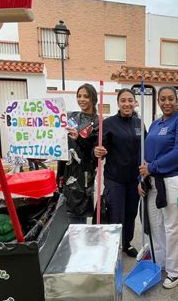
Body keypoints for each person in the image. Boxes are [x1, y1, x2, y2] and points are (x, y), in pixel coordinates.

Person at [138, 86, 178, 289]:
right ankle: (160, 263)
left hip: (175, 180)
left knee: (173, 227)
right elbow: (146, 153)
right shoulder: (155, 124)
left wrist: (152, 167)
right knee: (156, 226)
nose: (167, 102)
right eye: (163, 99)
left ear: (177, 102)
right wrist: (141, 178)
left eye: (171, 99)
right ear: (158, 101)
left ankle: (176, 271)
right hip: (154, 182)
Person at [94, 88, 142, 257]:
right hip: (114, 177)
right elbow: (100, 147)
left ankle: (126, 243)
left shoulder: (139, 123)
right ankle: (112, 245)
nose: (127, 104)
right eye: (123, 100)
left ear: (135, 102)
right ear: (118, 103)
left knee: (131, 212)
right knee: (115, 212)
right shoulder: (108, 124)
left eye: (130, 100)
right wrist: (98, 151)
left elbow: (146, 147)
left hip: (134, 178)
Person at [57, 83, 98, 220]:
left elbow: (92, 148)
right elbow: (49, 127)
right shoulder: (71, 117)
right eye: (79, 96)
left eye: (86, 96)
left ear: (93, 99)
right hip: (65, 169)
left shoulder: (98, 122)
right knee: (63, 212)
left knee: (78, 212)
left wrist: (79, 138)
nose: (82, 99)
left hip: (84, 173)